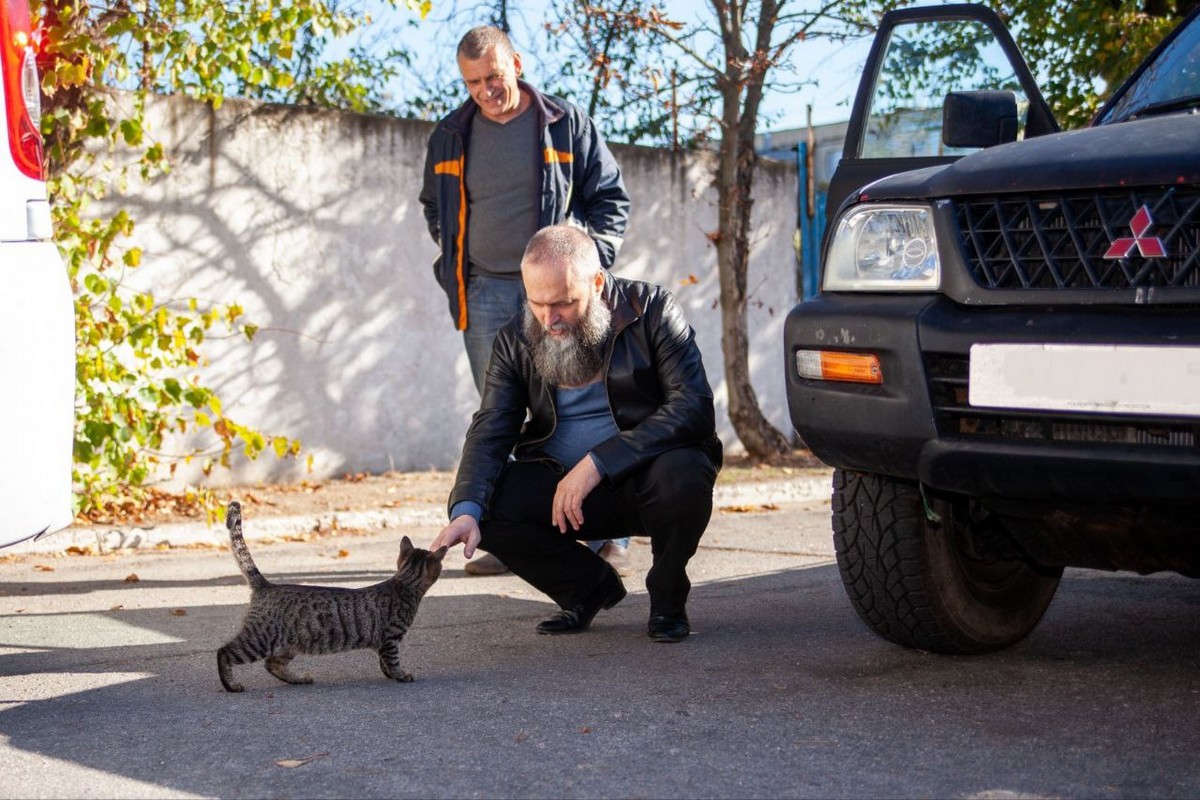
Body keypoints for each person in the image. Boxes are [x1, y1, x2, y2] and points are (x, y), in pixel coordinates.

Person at [430, 225, 723, 643]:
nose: (549, 319)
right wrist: (465, 511)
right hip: (565, 494)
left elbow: (693, 407)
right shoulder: (515, 338)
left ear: (598, 283)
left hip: (648, 481)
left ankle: (668, 599)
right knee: (484, 501)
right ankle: (586, 590)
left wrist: (599, 462)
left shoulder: (653, 311)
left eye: (565, 302)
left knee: (685, 469)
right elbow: (491, 428)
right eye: (537, 303)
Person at [419, 25, 632, 577]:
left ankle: (609, 536)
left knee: (580, 408)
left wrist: (589, 261)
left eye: (493, 76)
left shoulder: (564, 123)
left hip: (558, 293)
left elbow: (610, 198)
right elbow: (434, 207)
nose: (486, 90)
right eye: (472, 83)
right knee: (502, 415)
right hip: (484, 292)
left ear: (516, 62)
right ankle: (515, 539)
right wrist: (455, 255)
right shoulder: (449, 134)